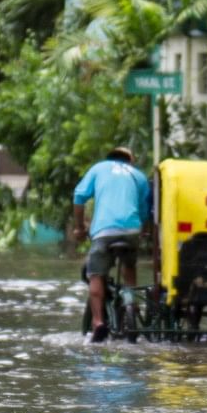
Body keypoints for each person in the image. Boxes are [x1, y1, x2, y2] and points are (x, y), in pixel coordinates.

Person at [72, 146, 153, 342]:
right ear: (130, 160)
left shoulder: (99, 168)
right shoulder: (138, 176)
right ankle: (131, 306)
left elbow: (79, 196)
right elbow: (145, 211)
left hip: (104, 231)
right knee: (129, 265)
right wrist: (144, 230)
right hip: (131, 230)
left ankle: (98, 321)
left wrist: (79, 227)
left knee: (96, 274)